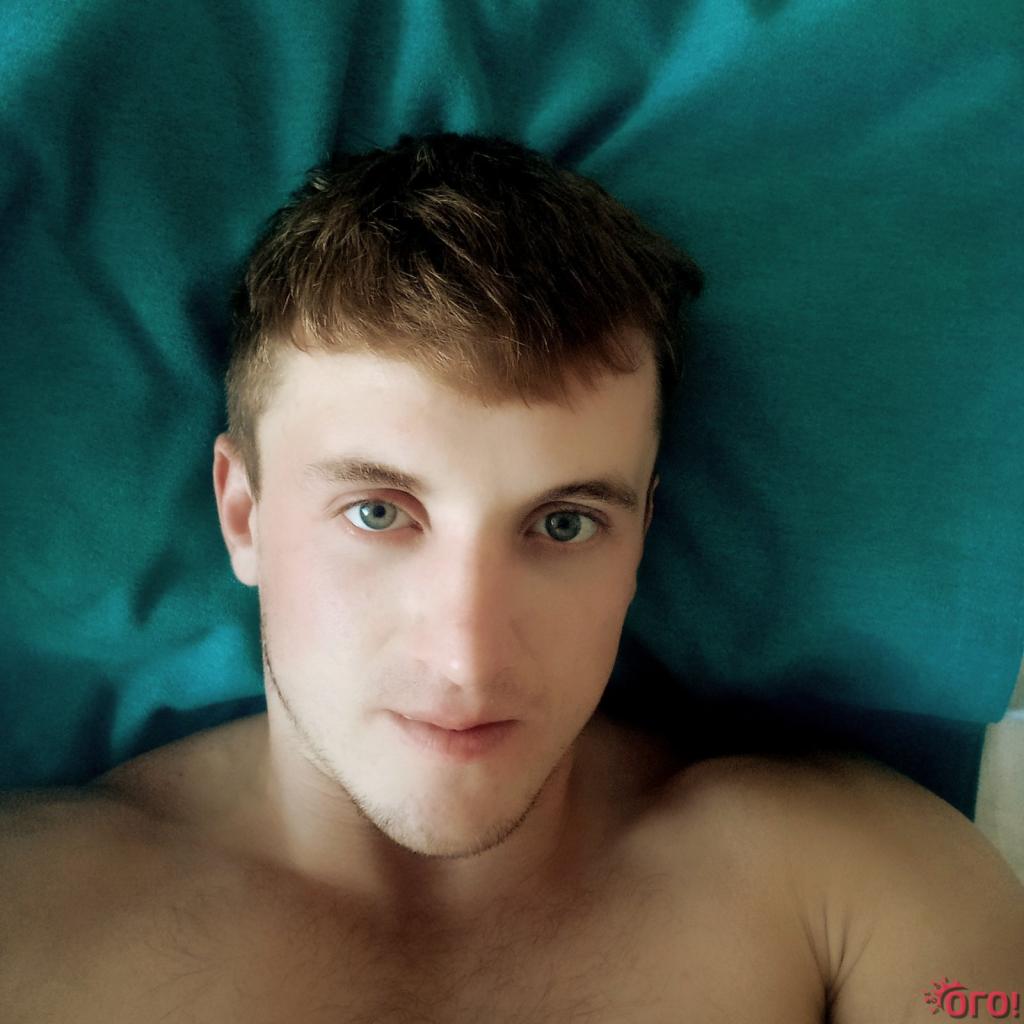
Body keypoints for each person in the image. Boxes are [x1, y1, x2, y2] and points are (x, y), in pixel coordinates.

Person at [1, 131, 1021, 1023]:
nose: (468, 658)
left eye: (564, 523)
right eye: (377, 512)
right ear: (244, 514)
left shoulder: (864, 892)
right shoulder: (26, 915)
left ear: (641, 535)